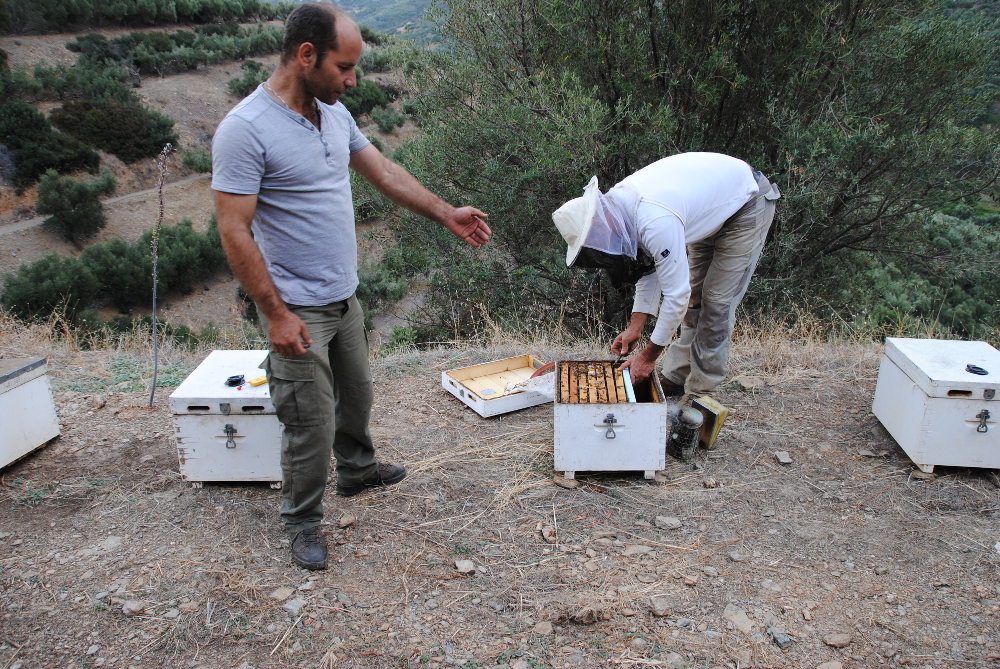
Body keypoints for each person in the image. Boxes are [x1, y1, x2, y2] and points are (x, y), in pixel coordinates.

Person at [212, 2, 491, 570]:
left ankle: (358, 471)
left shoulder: (333, 113)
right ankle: (302, 521)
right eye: (344, 66)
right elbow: (234, 230)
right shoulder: (244, 130)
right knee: (308, 421)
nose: (353, 79)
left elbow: (384, 173)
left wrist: (445, 213)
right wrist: (276, 314)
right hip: (298, 307)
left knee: (357, 396)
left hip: (345, 296)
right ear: (306, 55)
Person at [552, 152, 779, 396]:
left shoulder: (654, 219)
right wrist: (635, 327)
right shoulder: (622, 209)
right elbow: (651, 268)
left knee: (716, 304)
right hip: (708, 211)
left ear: (597, 224)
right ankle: (677, 376)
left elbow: (675, 295)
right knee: (695, 301)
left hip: (746, 205)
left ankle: (701, 392)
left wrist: (648, 357)